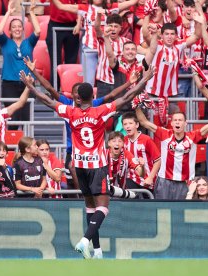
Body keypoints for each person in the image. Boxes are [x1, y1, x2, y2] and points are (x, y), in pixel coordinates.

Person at [20, 64, 155, 259]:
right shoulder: (100, 111)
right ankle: (85, 240)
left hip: (79, 166)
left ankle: (97, 251)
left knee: (90, 206)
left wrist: (30, 87)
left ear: (78, 98)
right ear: (92, 97)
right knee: (103, 206)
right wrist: (145, 79)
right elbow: (127, 97)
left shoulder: (70, 112)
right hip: (97, 166)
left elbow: (47, 99)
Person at [23, 56, 139, 196]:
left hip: (93, 152)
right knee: (72, 166)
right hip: (73, 149)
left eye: (80, 93)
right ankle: (82, 195)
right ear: (71, 94)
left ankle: (98, 192)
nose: (78, 95)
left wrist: (129, 83)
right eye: (75, 93)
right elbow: (49, 89)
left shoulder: (94, 105)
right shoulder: (67, 104)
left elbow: (112, 95)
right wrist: (34, 71)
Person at [135, 98, 208, 200]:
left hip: (184, 182)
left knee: (181, 212)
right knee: (162, 211)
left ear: (185, 123)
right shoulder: (164, 134)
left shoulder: (193, 136)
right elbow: (144, 122)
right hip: (164, 180)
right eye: (175, 120)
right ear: (171, 123)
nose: (177, 122)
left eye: (180, 120)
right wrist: (136, 106)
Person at [52, 0, 138, 86]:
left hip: (106, 50)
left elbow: (131, 2)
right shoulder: (84, 8)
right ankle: (89, 99)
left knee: (110, 80)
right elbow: (60, 6)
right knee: (89, 82)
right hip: (90, 49)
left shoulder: (111, 7)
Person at [0, 0, 40, 127]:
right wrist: (8, 13)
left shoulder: (29, 42)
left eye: (19, 26)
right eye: (14, 27)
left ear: (23, 29)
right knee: (13, 119)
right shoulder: (5, 42)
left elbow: (38, 31)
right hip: (9, 84)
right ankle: (12, 146)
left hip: (27, 85)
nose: (17, 29)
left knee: (27, 120)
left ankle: (25, 146)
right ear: (10, 31)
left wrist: (31, 12)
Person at [40, 0, 80, 84]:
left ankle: (70, 89)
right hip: (55, 24)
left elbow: (81, 6)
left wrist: (79, 23)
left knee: (71, 62)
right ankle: (54, 90)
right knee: (55, 62)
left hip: (72, 25)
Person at [122, 112, 161, 194]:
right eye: (125, 124)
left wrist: (150, 177)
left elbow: (158, 160)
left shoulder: (146, 139)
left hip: (147, 181)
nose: (127, 126)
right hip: (130, 179)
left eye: (130, 123)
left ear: (137, 125)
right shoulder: (123, 141)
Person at [107, 131, 142, 199]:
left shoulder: (127, 154)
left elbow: (141, 174)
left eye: (120, 141)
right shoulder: (103, 155)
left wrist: (142, 166)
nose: (117, 144)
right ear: (109, 143)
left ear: (123, 144)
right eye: (114, 141)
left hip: (121, 193)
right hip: (104, 194)